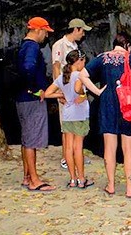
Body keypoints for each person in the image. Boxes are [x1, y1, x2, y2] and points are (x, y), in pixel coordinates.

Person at [79, 32, 131, 198]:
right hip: (127, 105)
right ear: (128, 45)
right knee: (128, 148)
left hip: (107, 104)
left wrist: (96, 91)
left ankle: (111, 185)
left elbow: (82, 75)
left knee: (109, 147)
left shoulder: (102, 58)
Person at [44, 49, 94, 188]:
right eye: (83, 61)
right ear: (78, 61)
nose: (84, 64)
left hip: (67, 115)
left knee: (68, 148)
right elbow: (82, 93)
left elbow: (47, 93)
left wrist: (61, 95)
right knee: (78, 148)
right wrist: (83, 96)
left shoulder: (61, 77)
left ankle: (72, 179)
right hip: (79, 114)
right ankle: (82, 179)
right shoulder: (80, 76)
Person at [17, 17, 56, 192]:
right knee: (32, 140)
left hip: (22, 98)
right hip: (31, 99)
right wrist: (35, 89)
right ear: (38, 30)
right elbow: (28, 67)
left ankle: (27, 176)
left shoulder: (23, 46)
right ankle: (34, 180)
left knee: (26, 139)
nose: (46, 36)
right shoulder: (32, 46)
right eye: (46, 32)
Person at [51, 18, 92, 170]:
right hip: (66, 90)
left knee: (78, 122)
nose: (83, 34)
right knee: (67, 124)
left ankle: (77, 153)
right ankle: (65, 157)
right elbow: (56, 67)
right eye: (82, 31)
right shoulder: (59, 45)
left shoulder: (75, 46)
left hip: (77, 90)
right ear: (76, 29)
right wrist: (60, 91)